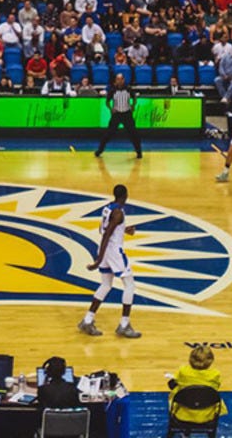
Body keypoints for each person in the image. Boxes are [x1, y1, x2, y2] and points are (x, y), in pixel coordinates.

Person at [79, 184, 141, 338]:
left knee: (106, 285)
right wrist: (97, 261)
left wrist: (125, 230)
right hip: (113, 252)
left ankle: (87, 320)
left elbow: (105, 228)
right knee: (130, 285)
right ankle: (124, 325)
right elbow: (107, 234)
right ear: (125, 195)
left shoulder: (108, 209)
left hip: (106, 250)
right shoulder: (118, 212)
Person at [167, 345, 224, 425]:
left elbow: (172, 385)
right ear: (210, 360)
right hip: (208, 415)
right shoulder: (215, 374)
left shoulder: (183, 371)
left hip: (182, 414)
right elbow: (216, 387)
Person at [95, 73, 142, 158]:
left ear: (123, 80)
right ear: (116, 80)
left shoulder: (128, 89)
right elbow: (107, 101)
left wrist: (133, 106)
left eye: (121, 79)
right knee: (108, 133)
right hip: (117, 114)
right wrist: (111, 109)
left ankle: (139, 152)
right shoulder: (113, 90)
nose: (119, 81)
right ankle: (99, 150)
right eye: (118, 79)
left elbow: (134, 97)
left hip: (127, 114)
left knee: (133, 133)